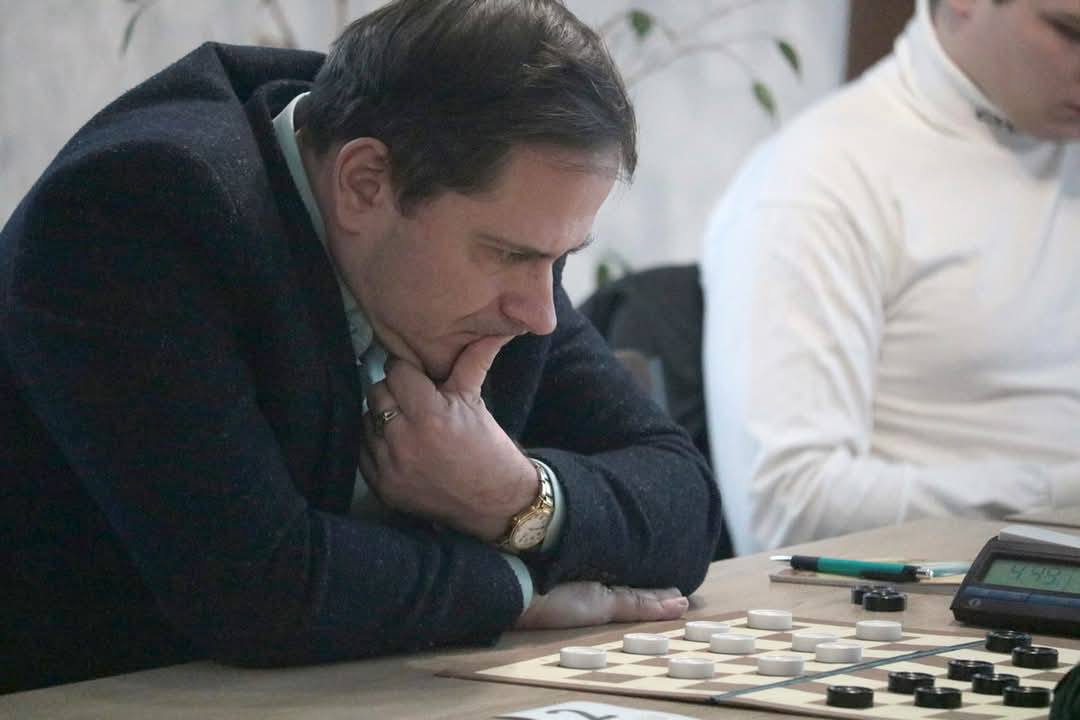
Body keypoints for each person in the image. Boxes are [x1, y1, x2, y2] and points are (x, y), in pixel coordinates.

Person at [0, 0, 724, 693]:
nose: (539, 314)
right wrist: (513, 589)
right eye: (509, 255)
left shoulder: (495, 227)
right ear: (364, 184)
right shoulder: (141, 214)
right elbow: (257, 589)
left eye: (558, 259)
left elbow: (686, 504)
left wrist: (512, 498)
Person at [701, 0, 1080, 555]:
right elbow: (785, 507)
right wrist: (1058, 495)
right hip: (934, 589)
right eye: (1069, 31)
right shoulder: (817, 180)